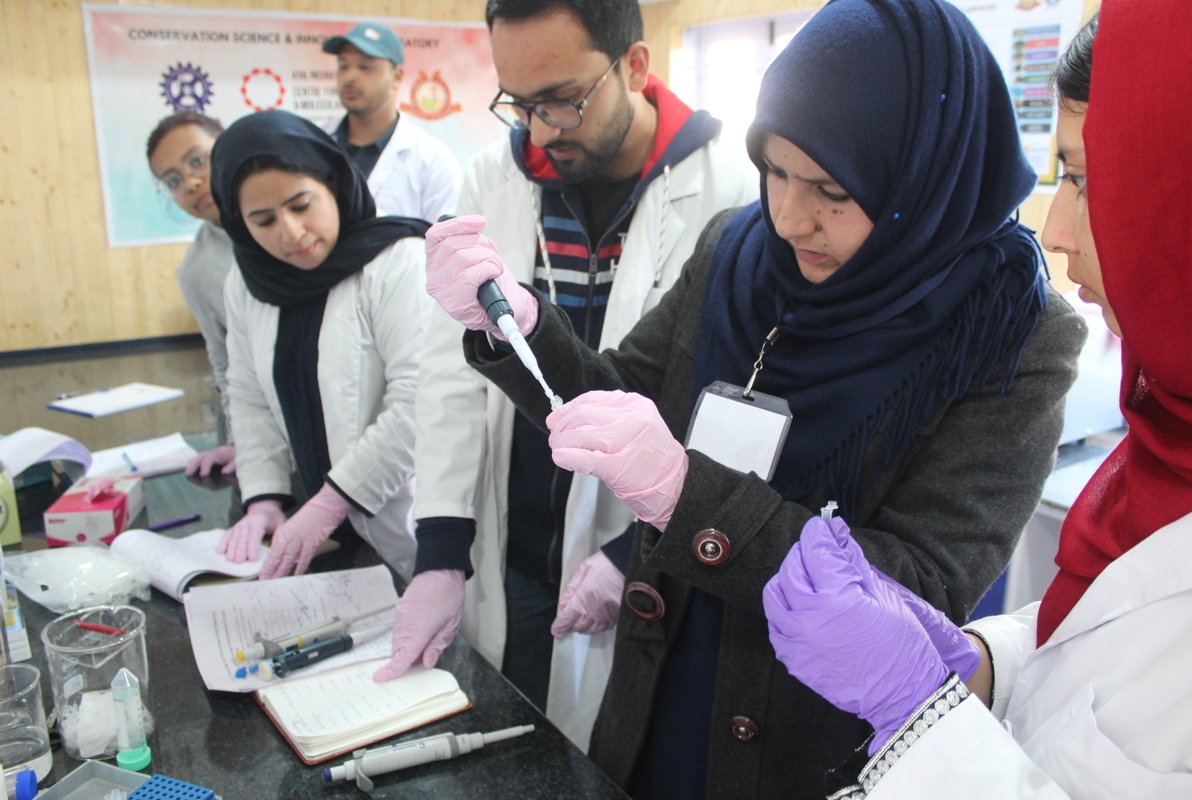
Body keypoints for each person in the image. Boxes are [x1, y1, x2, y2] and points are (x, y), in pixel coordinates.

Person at [418, 0, 1088, 795]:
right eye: (774, 170)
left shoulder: (1011, 330)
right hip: (657, 687)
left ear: (921, 174)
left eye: (831, 189)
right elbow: (623, 394)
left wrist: (684, 495)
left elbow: (918, 585)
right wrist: (518, 327)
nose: (790, 216)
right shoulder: (738, 251)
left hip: (807, 745)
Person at [763, 4, 1192, 797]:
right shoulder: (1173, 426)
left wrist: (920, 709)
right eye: (775, 172)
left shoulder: (1014, 331)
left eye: (1086, 178)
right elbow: (1094, 647)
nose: (1057, 228)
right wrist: (984, 661)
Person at [384, 0, 757, 747]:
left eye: (563, 99)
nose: (540, 129)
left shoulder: (731, 188)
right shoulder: (493, 179)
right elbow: (452, 373)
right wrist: (441, 553)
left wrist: (633, 552)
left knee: (617, 755)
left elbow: (736, 402)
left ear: (637, 67)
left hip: (645, 557)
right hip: (516, 545)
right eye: (518, 103)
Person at [208, 109, 430, 581]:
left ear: (332, 181)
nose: (290, 233)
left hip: (415, 518)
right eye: (263, 220)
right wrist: (265, 497)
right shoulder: (247, 283)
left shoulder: (398, 263)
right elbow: (248, 397)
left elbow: (420, 400)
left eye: (301, 204)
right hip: (329, 527)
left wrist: (333, 501)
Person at [146, 111, 237, 477]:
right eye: (173, 180)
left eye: (197, 161)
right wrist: (238, 442)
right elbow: (224, 361)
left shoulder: (303, 226)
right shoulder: (197, 271)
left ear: (229, 146)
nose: (191, 183)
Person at [322, 21, 462, 221]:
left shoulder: (433, 162)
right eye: (343, 66)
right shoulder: (314, 142)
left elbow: (443, 244)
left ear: (396, 77)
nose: (350, 76)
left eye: (365, 66)